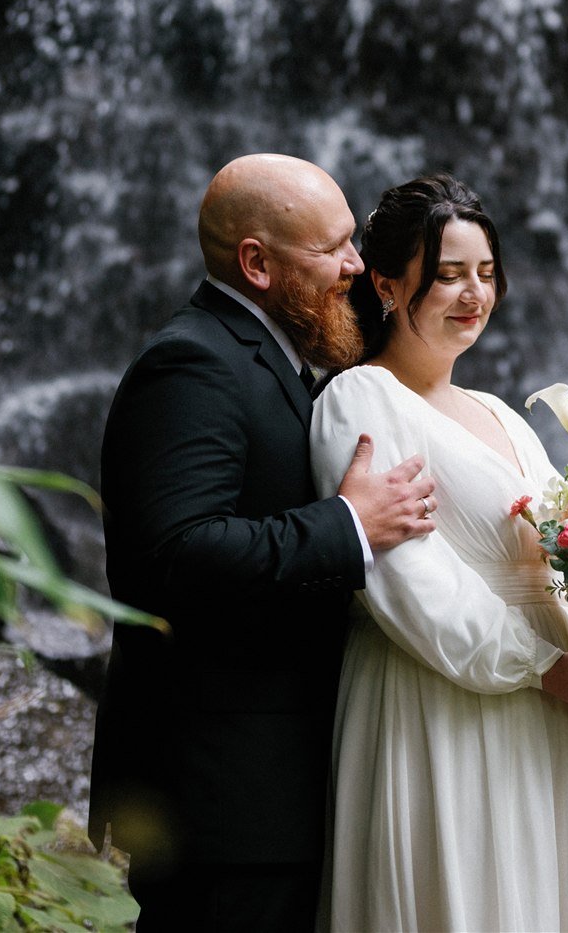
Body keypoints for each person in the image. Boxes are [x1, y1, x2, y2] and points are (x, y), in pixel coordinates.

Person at [89, 154, 439, 933]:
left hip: (273, 795)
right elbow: (175, 554)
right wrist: (349, 523)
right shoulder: (193, 363)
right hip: (227, 806)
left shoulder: (273, 359)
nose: (355, 265)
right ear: (256, 262)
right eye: (334, 248)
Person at [311, 174, 568, 932]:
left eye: (484, 272)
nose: (473, 293)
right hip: (439, 696)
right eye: (446, 275)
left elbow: (567, 557)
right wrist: (549, 668)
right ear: (384, 283)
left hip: (553, 708)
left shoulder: (499, 412)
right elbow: (409, 578)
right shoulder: (359, 401)